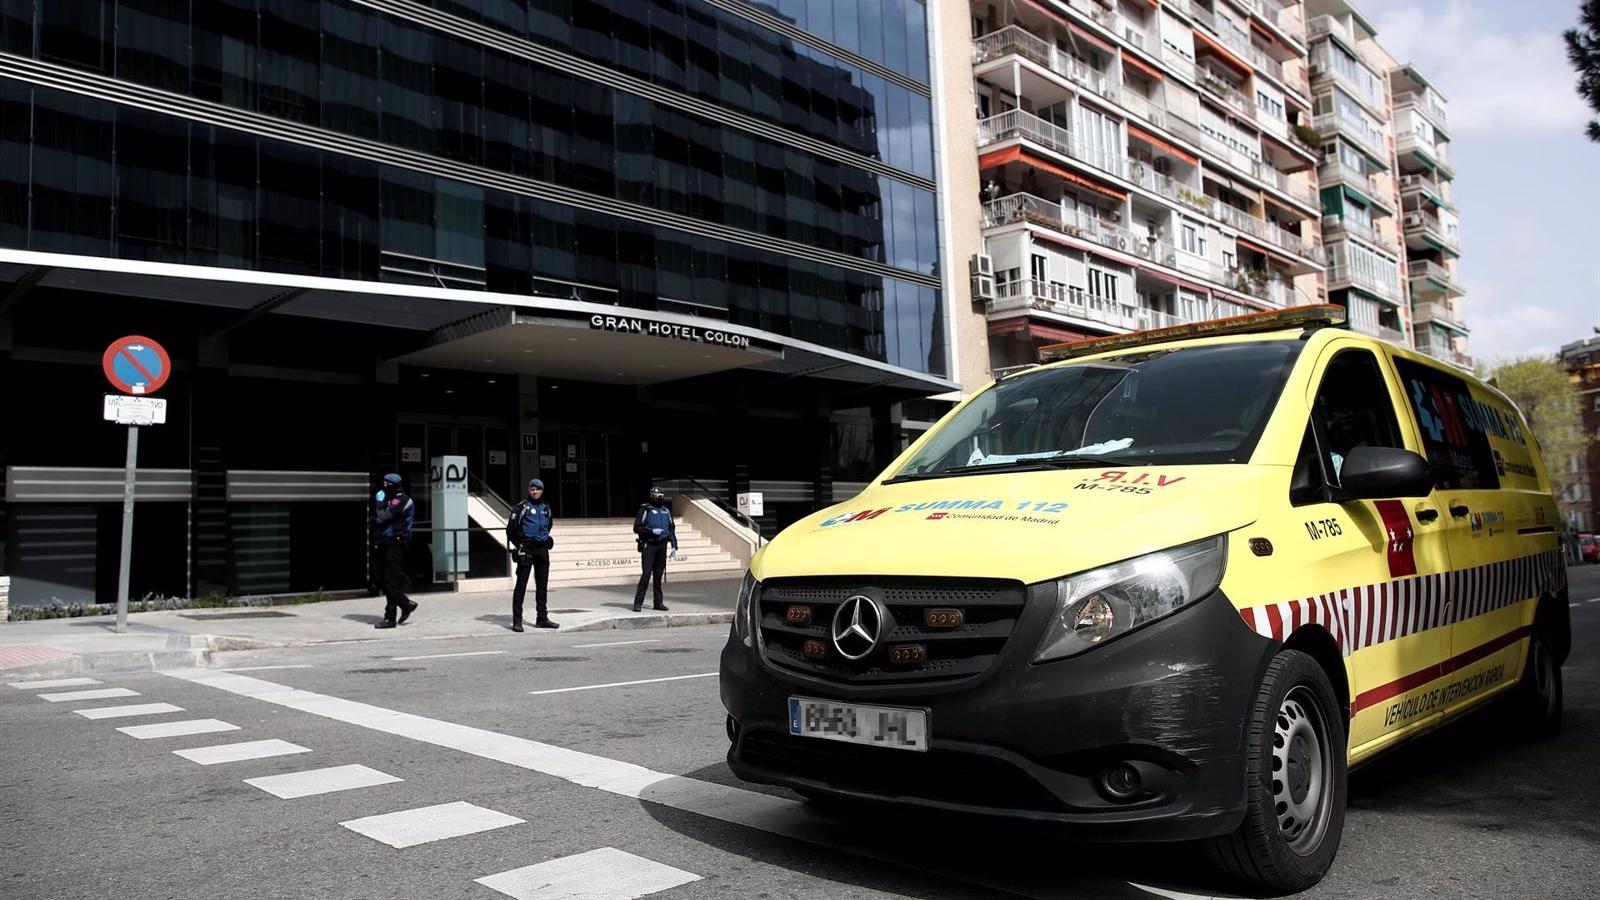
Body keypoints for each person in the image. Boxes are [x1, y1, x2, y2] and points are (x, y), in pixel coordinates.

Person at [505, 478, 558, 631]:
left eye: (538, 489)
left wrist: (546, 538)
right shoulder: (522, 507)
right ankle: (517, 620)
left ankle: (542, 618)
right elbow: (510, 530)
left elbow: (549, 525)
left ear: (542, 491)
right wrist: (520, 545)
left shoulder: (545, 507)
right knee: (521, 585)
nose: (535, 492)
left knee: (542, 585)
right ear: (529, 490)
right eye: (532, 489)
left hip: (542, 550)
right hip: (526, 549)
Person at [371, 473, 417, 629]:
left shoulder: (401, 499)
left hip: (394, 544)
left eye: (386, 484)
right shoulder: (389, 499)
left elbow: (384, 517)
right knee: (377, 578)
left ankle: (390, 618)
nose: (383, 487)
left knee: (390, 581)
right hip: (382, 542)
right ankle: (405, 603)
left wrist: (379, 504)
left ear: (393, 485)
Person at [632, 485, 677, 612]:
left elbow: (671, 529)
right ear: (651, 496)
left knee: (658, 575)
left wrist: (674, 545)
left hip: (662, 546)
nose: (658, 499)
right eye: (655, 496)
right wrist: (651, 531)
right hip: (649, 545)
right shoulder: (645, 509)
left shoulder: (666, 511)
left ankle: (658, 603)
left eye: (660, 497)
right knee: (646, 574)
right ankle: (638, 603)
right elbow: (637, 528)